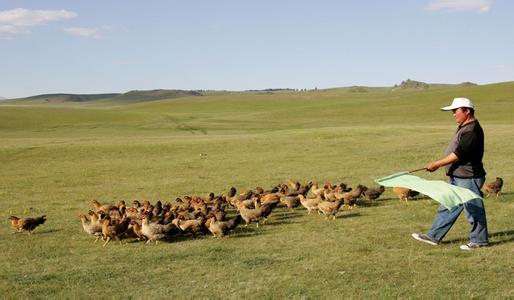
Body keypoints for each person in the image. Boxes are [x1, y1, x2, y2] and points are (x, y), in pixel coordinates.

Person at [412, 97, 489, 250]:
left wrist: (436, 164)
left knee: (473, 208)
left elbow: (459, 154)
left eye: (456, 111)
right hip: (459, 176)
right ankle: (433, 236)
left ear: (467, 111)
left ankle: (480, 241)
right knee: (449, 205)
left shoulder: (472, 131)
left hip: (469, 177)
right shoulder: (464, 126)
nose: (453, 114)